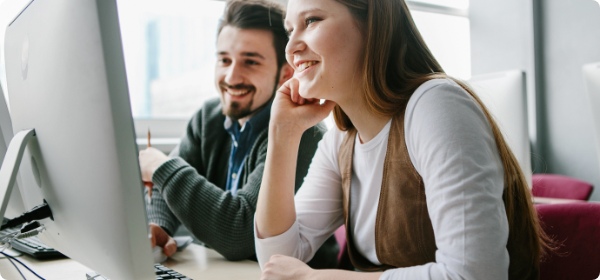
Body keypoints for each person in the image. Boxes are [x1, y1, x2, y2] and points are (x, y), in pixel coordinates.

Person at [254, 0, 553, 279]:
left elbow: (474, 275)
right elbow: (277, 259)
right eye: (290, 31)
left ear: (373, 25)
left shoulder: (436, 105)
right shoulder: (341, 142)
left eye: (312, 20)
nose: (291, 46)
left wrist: (321, 278)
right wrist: (283, 133)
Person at [138, 0, 338, 268]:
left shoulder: (301, 132)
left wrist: (160, 166)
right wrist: (158, 225)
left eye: (250, 62)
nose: (232, 77)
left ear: (285, 74)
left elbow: (241, 233)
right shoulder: (208, 118)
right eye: (224, 60)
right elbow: (165, 190)